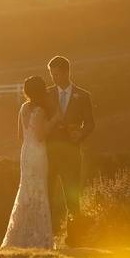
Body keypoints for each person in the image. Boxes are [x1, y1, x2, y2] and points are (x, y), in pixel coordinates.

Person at [1, 76, 62, 249]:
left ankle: (20, 235)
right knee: (39, 190)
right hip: (38, 153)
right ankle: (39, 236)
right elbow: (41, 135)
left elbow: (21, 135)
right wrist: (55, 119)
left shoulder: (23, 108)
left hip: (26, 152)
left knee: (26, 190)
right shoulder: (41, 110)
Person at [45, 55, 95, 247]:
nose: (53, 78)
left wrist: (80, 134)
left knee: (72, 197)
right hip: (49, 153)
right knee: (47, 194)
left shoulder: (83, 96)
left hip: (72, 152)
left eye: (55, 74)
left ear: (66, 72)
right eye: (51, 74)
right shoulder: (46, 94)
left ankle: (74, 238)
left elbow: (90, 123)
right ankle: (48, 236)